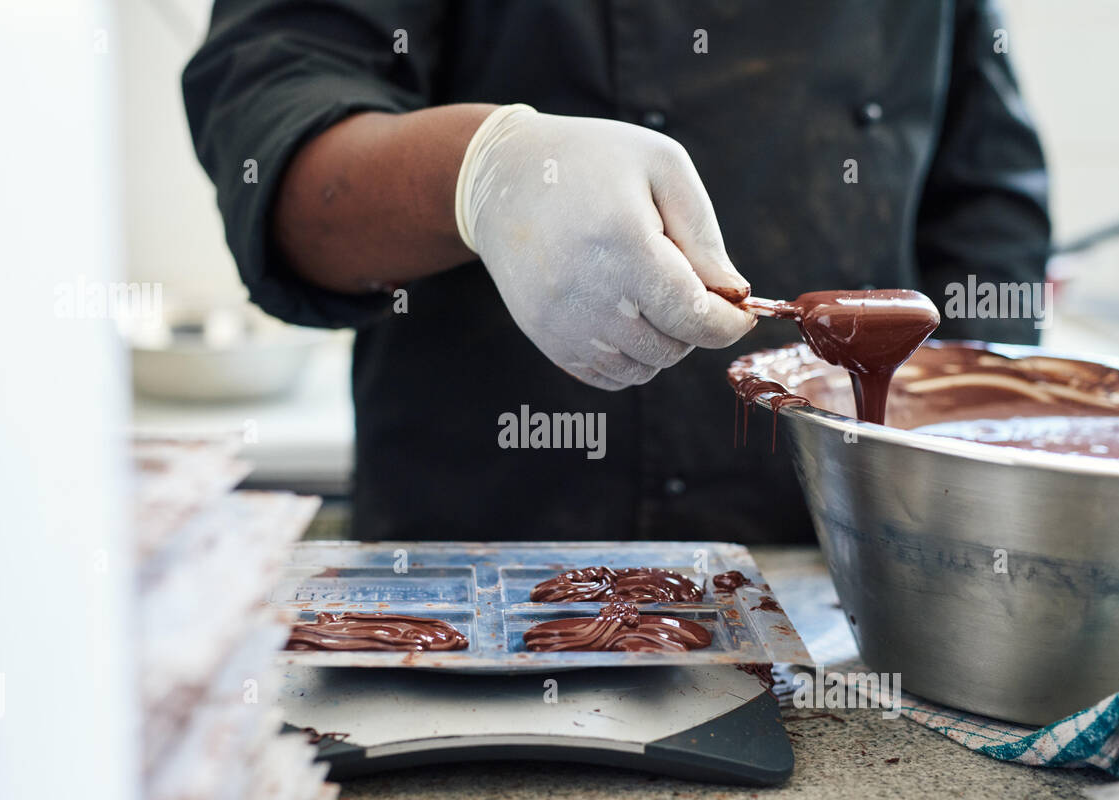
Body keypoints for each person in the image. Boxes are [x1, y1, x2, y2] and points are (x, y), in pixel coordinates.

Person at [183, 0, 1049, 543]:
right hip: (490, 570)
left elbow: (985, 206)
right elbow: (273, 136)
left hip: (833, 586)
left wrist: (965, 490)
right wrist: (484, 171)